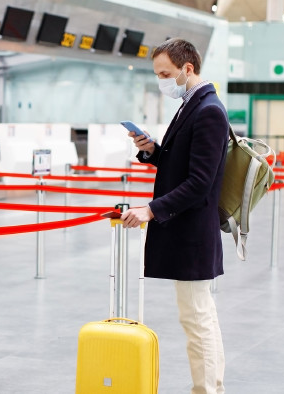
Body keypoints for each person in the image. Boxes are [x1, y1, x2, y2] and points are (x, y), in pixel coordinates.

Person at [121, 38, 229, 394]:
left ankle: (206, 390)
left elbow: (200, 182)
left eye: (166, 73)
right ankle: (211, 387)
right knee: (201, 318)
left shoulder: (208, 110)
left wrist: (151, 210)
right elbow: (182, 164)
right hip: (188, 231)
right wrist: (154, 151)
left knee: (197, 321)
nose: (162, 81)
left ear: (187, 68)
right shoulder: (191, 105)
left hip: (193, 234)